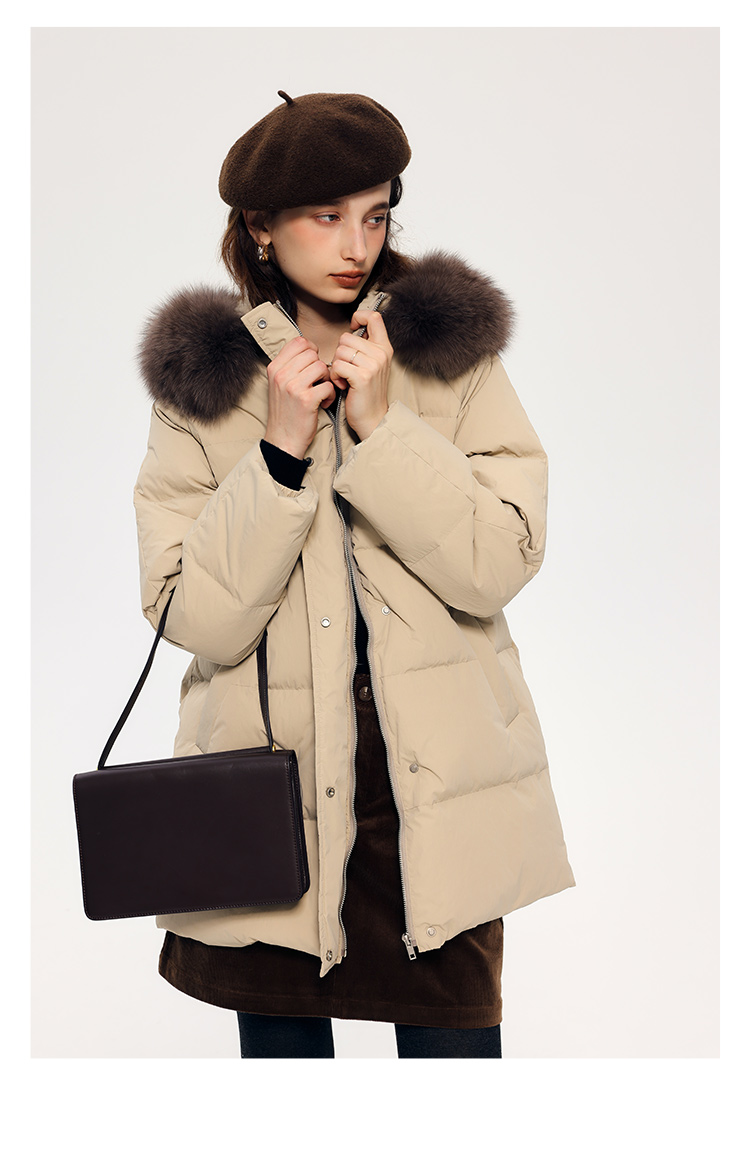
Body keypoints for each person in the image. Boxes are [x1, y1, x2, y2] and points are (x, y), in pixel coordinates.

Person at [134, 90, 575, 1059]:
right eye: (327, 216)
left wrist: (382, 428)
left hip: (435, 800)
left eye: (375, 215)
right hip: (270, 804)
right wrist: (279, 456)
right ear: (260, 226)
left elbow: (501, 559)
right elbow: (190, 615)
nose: (356, 245)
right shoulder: (204, 386)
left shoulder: (449, 357)